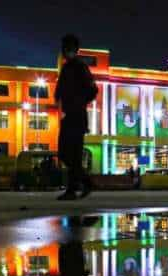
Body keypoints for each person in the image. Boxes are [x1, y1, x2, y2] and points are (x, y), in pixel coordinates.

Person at [54, 34, 98, 200]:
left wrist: (80, 102)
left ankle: (73, 189)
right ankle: (85, 182)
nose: (65, 52)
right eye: (65, 49)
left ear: (73, 50)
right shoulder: (66, 68)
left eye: (68, 49)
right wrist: (58, 96)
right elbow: (61, 88)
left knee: (73, 153)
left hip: (77, 116)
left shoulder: (80, 67)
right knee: (64, 152)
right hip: (69, 115)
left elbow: (93, 89)